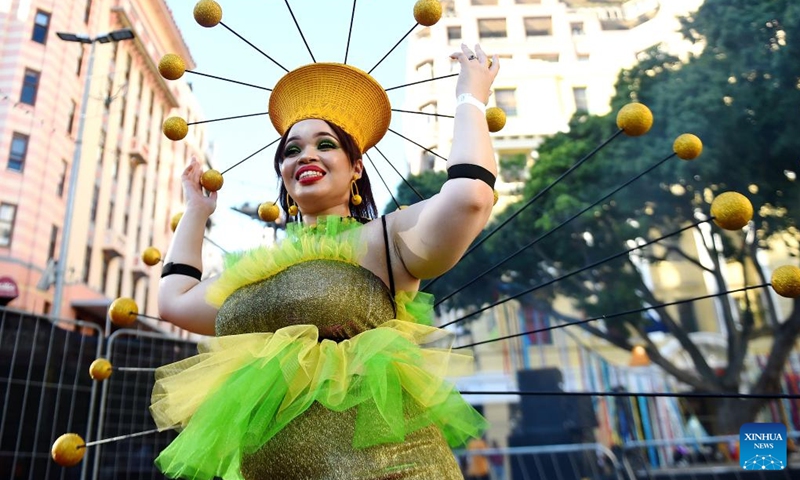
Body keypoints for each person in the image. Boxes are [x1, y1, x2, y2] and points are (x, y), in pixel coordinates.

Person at [151, 43, 500, 480]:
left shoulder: (387, 238)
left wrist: (470, 95)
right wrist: (196, 212)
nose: (306, 156)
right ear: (282, 171)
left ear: (356, 167)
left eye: (325, 144)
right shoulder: (258, 269)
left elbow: (470, 196)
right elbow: (173, 301)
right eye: (291, 150)